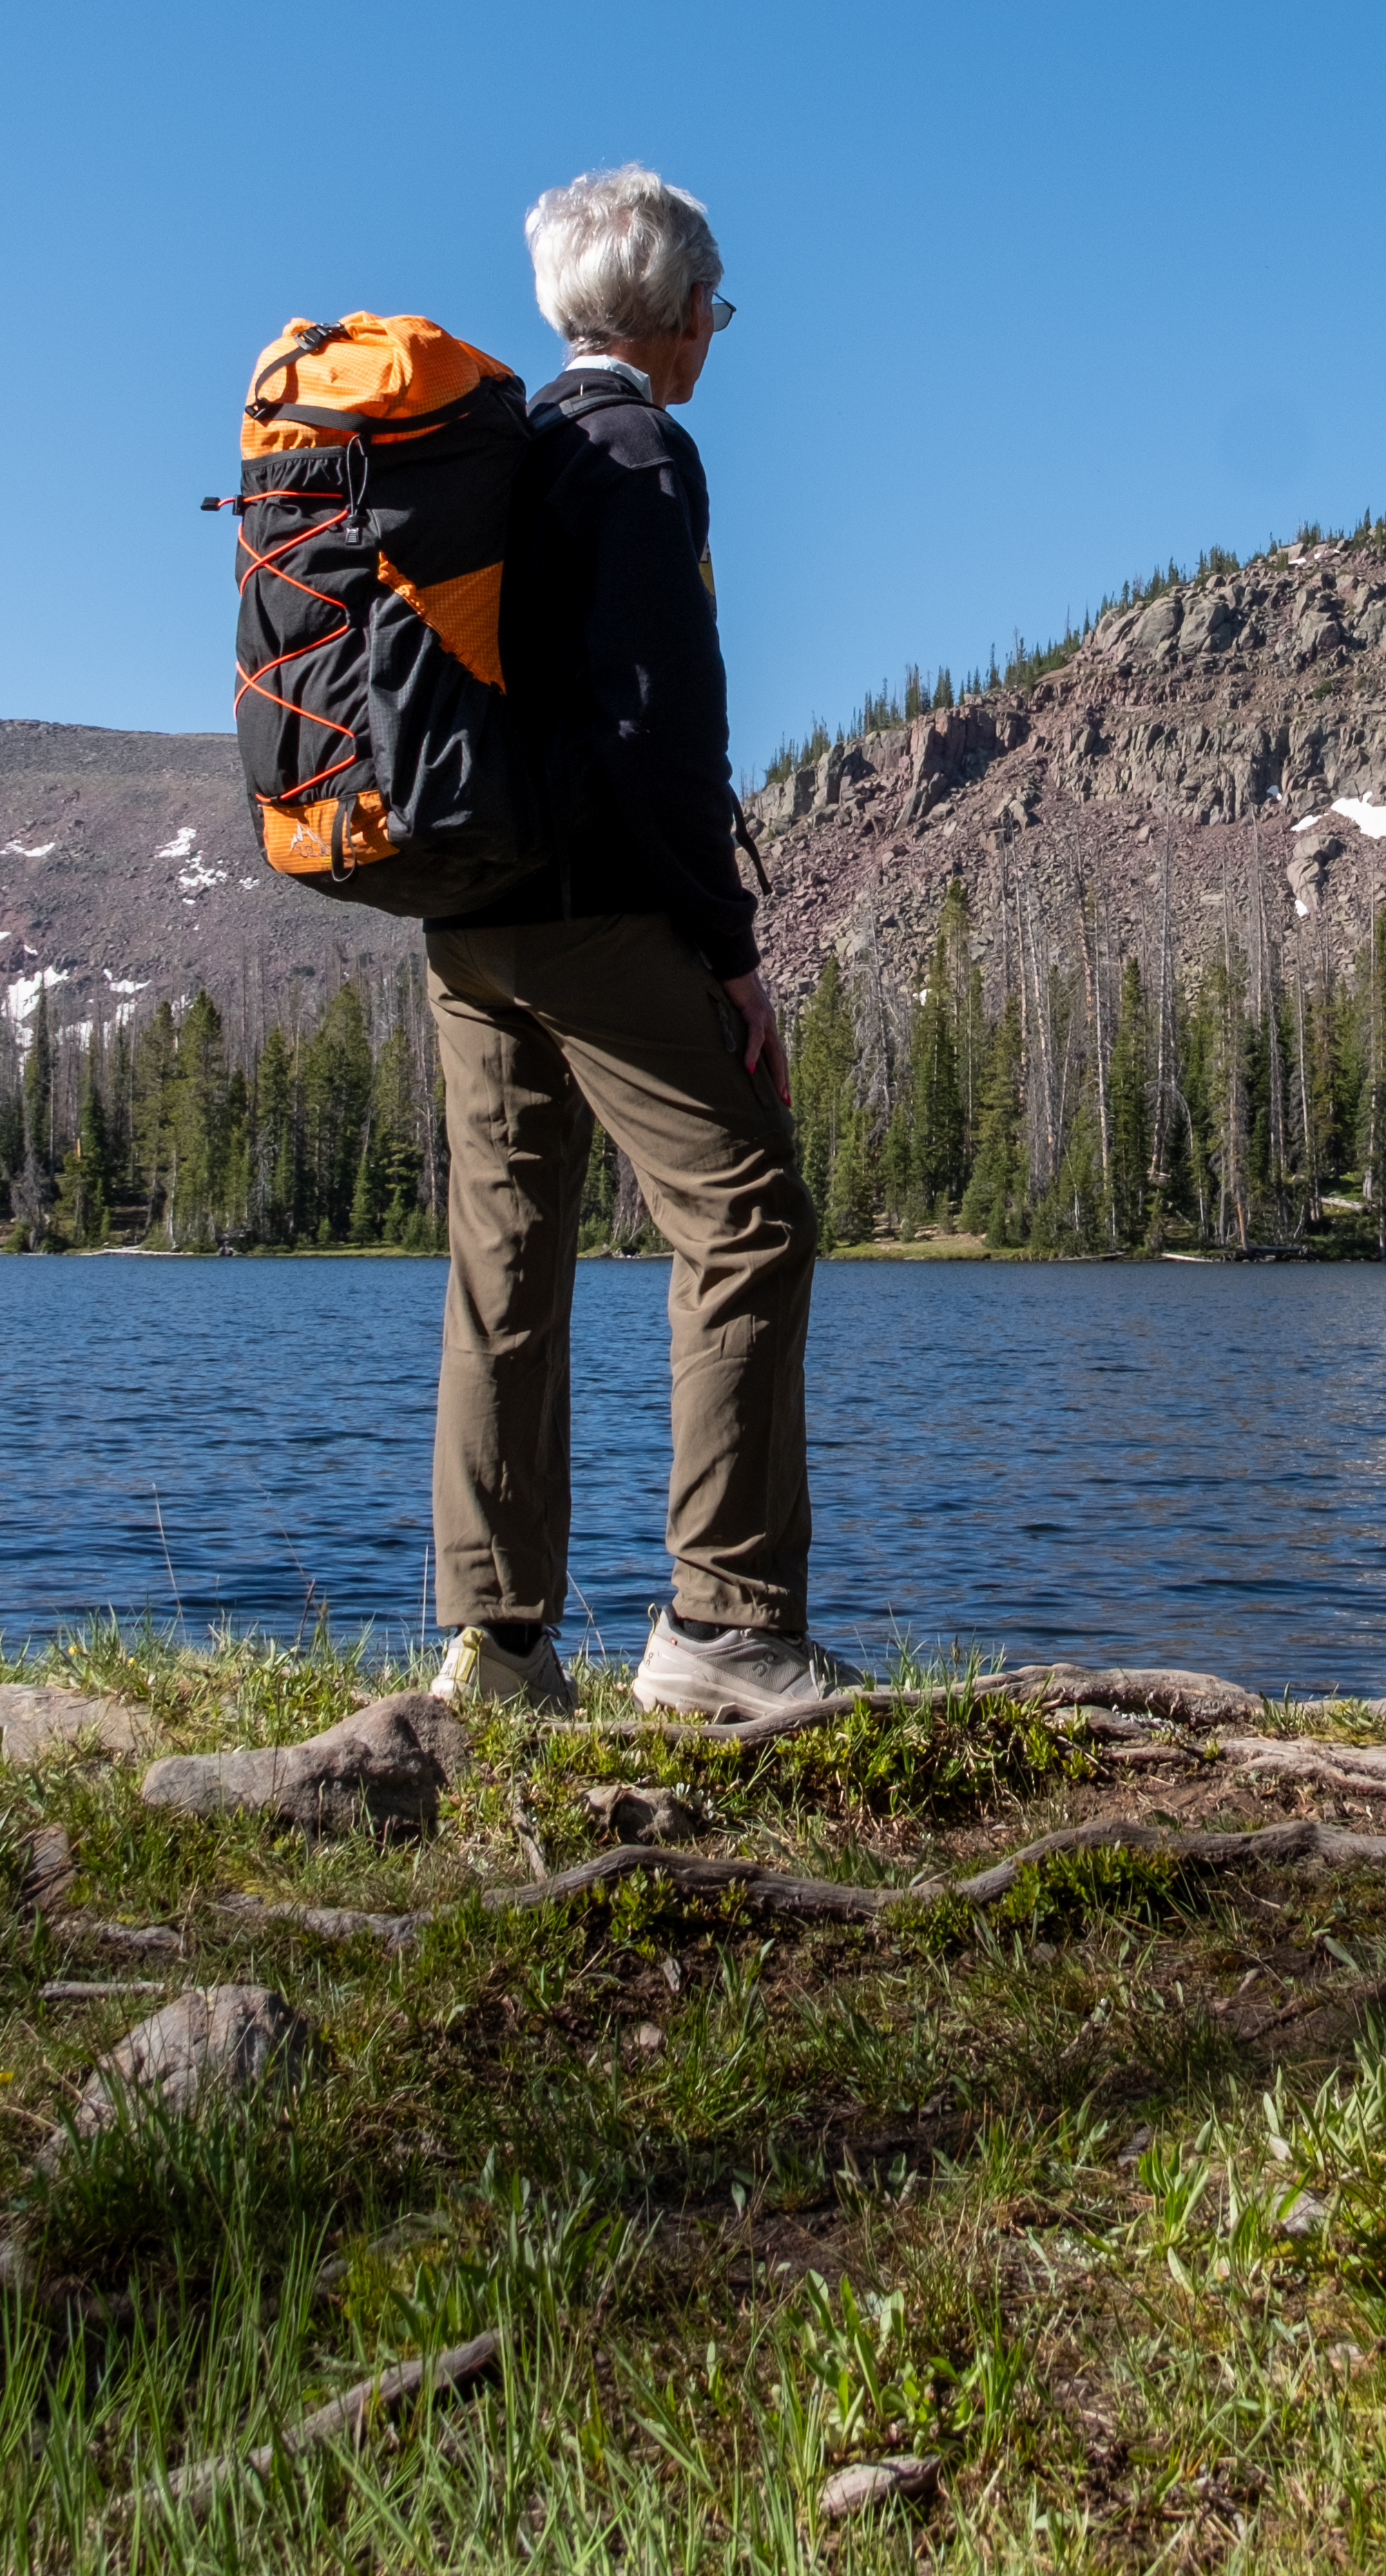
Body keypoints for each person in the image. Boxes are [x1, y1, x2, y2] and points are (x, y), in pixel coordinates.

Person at [421, 166, 853, 1721]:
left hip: (466, 917)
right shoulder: (640, 452)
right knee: (748, 1218)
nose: (715, 337)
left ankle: (497, 1644)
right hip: (596, 913)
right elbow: (661, 730)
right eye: (716, 312)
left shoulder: (509, 454)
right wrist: (732, 952)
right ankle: (727, 1631)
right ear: (673, 316)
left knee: (506, 1258)